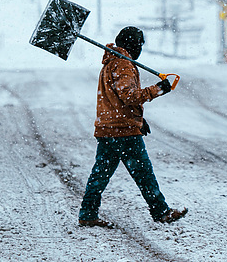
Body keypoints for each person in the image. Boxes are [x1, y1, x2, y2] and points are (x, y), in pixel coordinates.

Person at [78, 26, 187, 227]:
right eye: (140, 45)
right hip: (123, 131)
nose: (140, 49)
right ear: (133, 45)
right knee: (144, 173)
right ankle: (161, 212)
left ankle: (88, 213)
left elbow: (115, 100)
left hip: (109, 128)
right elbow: (129, 96)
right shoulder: (123, 65)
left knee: (100, 174)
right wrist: (158, 89)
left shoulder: (111, 62)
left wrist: (138, 119)